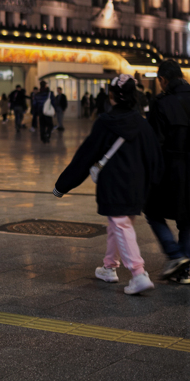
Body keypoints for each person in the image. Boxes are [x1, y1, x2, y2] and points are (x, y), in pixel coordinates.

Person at [53, 75, 162, 296]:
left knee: (120, 223)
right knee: (118, 222)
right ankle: (109, 267)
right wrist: (155, 185)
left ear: (111, 96)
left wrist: (63, 185)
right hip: (137, 185)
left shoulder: (105, 122)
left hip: (113, 184)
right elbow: (155, 157)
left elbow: (85, 156)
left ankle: (138, 273)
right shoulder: (142, 124)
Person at [144, 60, 190, 285]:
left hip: (171, 169)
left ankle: (175, 256)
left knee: (152, 211)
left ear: (163, 80)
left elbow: (154, 142)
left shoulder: (161, 103)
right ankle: (183, 272)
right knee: (186, 221)